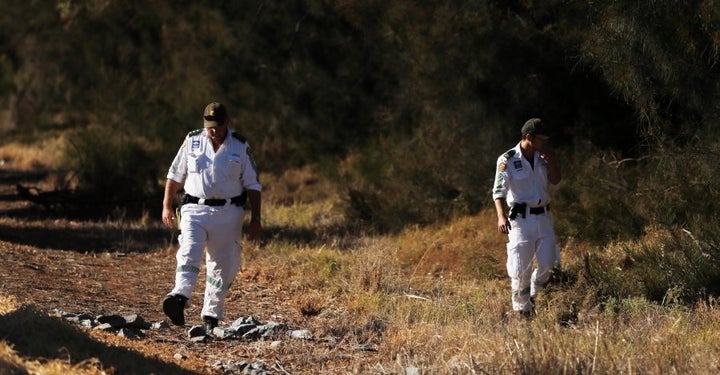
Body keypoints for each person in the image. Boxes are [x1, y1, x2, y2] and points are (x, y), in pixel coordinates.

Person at [161, 102, 262, 334]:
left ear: (227, 122)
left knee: (222, 263)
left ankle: (211, 315)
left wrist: (256, 219)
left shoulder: (240, 146)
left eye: (217, 126)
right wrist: (167, 205)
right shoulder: (192, 140)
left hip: (228, 213)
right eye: (209, 126)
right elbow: (174, 175)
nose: (213, 131)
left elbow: (253, 184)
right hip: (194, 208)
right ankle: (178, 297)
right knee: (189, 250)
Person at [492, 118, 561, 318]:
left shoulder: (543, 156)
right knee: (521, 267)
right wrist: (500, 217)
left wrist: (553, 161)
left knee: (549, 264)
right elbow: (498, 191)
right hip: (521, 220)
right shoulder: (507, 159)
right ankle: (523, 310)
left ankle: (534, 295)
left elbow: (556, 181)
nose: (544, 143)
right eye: (541, 139)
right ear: (528, 137)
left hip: (544, 218)